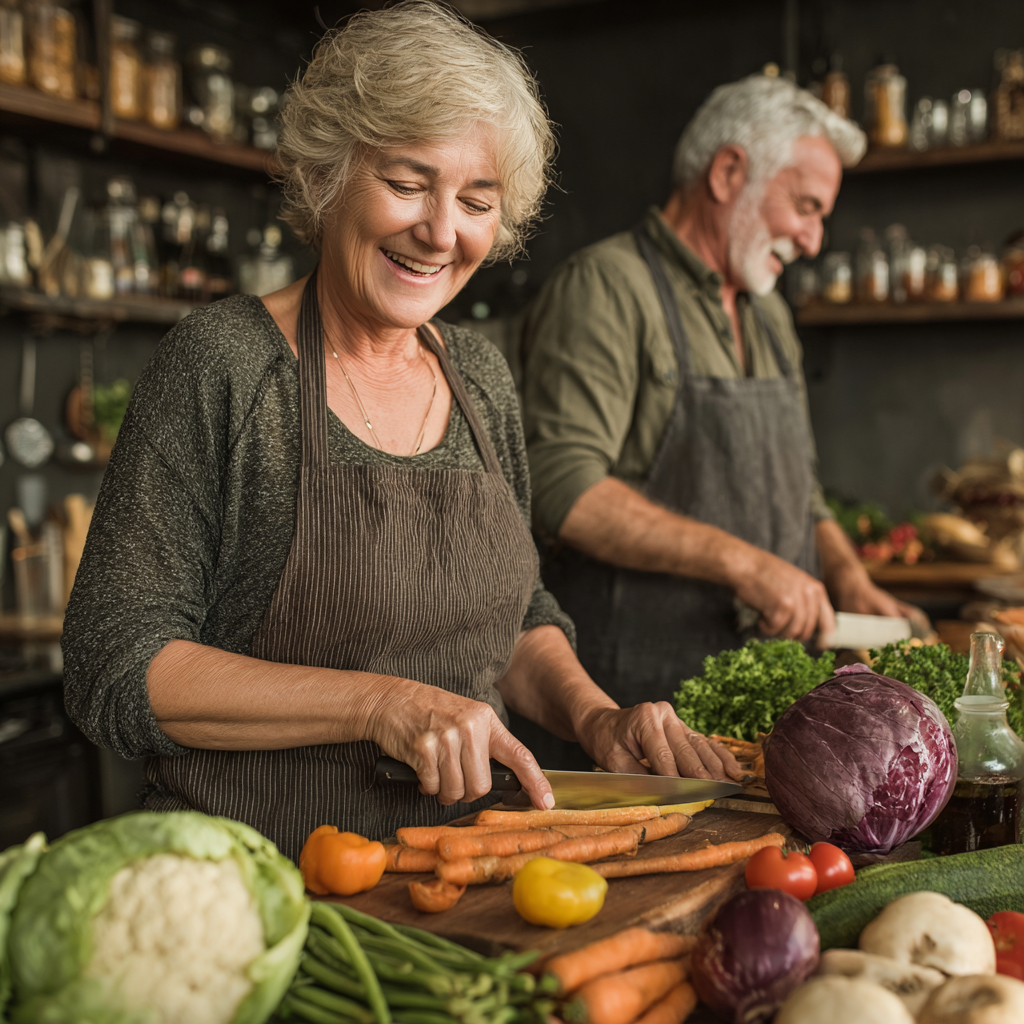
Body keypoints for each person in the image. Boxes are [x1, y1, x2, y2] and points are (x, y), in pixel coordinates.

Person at [61, 3, 740, 863]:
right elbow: (114, 662)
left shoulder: (480, 376)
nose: (440, 231)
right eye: (408, 183)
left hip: (473, 874)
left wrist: (594, 716)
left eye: (476, 201)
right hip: (273, 889)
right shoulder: (225, 365)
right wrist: (380, 704)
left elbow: (516, 617)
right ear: (329, 174)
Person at [519, 75, 913, 766]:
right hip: (632, 719)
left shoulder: (769, 314)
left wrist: (847, 576)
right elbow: (563, 490)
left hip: (765, 719)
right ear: (730, 172)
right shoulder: (607, 287)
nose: (814, 240)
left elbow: (803, 492)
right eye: (806, 207)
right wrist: (744, 564)